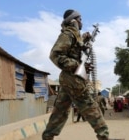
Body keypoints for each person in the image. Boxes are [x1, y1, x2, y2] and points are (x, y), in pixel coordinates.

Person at [42, 9, 109, 140]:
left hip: (69, 79)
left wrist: (84, 40)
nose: (81, 22)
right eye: (80, 19)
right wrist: (78, 65)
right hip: (73, 79)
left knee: (60, 112)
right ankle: (104, 136)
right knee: (90, 106)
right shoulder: (68, 34)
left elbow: (74, 51)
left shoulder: (74, 35)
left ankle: (47, 137)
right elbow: (55, 54)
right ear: (73, 21)